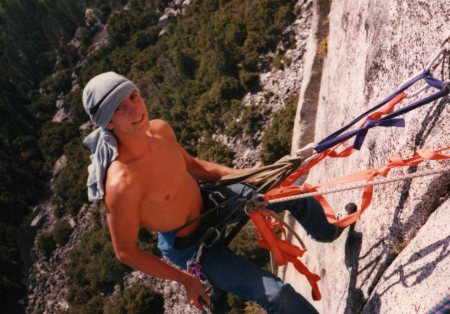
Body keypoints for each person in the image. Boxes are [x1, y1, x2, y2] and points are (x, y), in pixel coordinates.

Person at [82, 72, 347, 314]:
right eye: (120, 108)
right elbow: (125, 251)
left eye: (134, 96)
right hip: (191, 245)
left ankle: (327, 231)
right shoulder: (121, 183)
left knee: (286, 193)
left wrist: (249, 177)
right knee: (277, 295)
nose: (135, 108)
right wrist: (186, 280)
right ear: (108, 123)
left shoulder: (160, 130)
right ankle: (213, 292)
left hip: (211, 204)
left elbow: (195, 167)